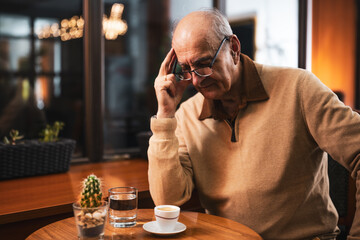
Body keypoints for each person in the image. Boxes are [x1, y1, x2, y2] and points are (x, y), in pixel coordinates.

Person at [147, 9, 360, 240]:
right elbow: (167, 200)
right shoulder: (187, 115)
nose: (196, 80)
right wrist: (165, 116)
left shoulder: (299, 88)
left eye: (204, 63)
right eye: (186, 69)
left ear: (234, 49)